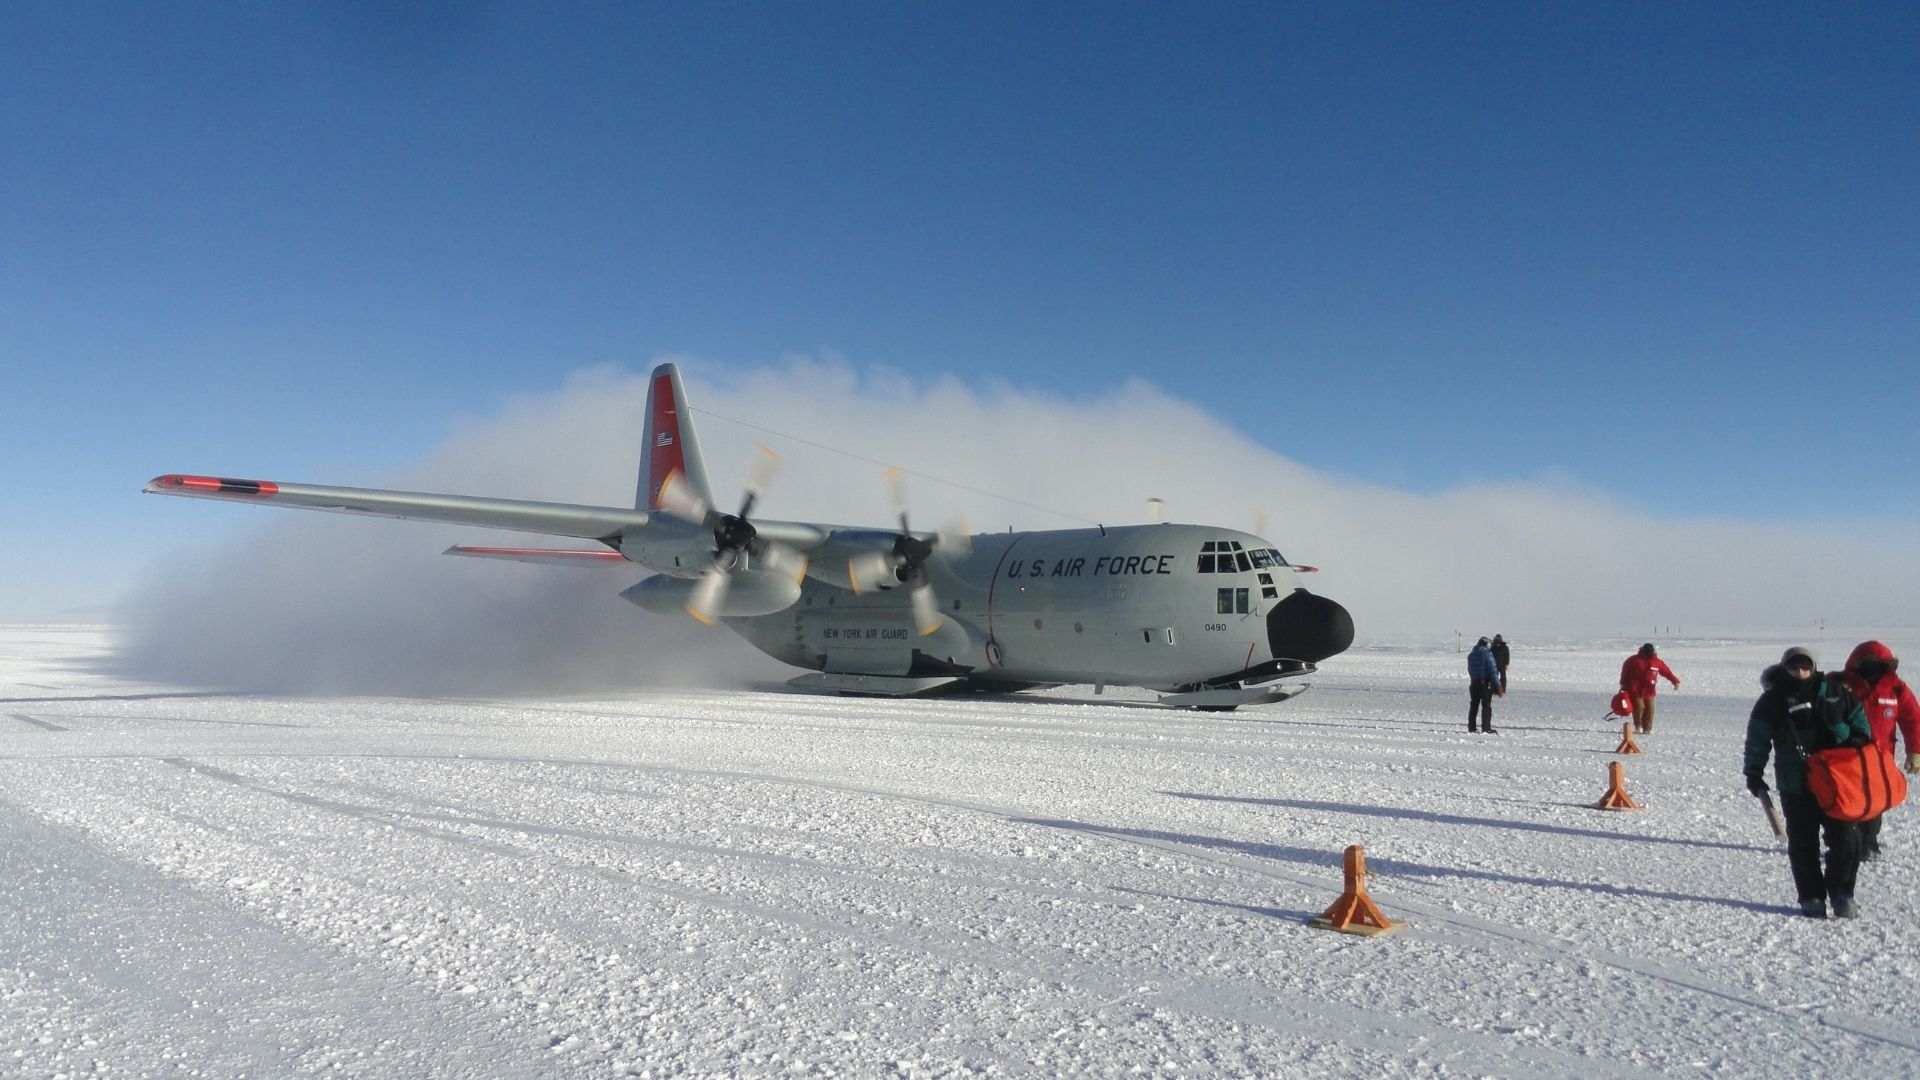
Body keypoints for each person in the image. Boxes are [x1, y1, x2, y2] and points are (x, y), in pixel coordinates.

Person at [1744, 647, 1870, 919]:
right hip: (1796, 782)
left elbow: (1860, 725)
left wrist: (1844, 730)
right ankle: (1811, 896)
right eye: (1793, 667)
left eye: (1804, 666)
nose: (1800, 672)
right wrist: (1753, 773)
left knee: (1846, 839)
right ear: (1784, 668)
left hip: (1838, 782)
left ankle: (1842, 893)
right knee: (1803, 842)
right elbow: (1758, 738)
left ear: (1813, 667)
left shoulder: (1836, 693)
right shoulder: (1772, 701)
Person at [1840, 640, 1920, 860]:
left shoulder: (1896, 688)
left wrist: (1915, 751)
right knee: (1847, 801)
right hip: (1846, 758)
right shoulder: (1841, 684)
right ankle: (1845, 844)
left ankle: (1869, 842)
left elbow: (1913, 719)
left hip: (1881, 757)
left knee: (1875, 801)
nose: (1873, 668)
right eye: (1868, 663)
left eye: (1879, 663)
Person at [1619, 643, 1680, 735]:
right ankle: (1638, 726)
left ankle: (1647, 728)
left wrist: (1675, 681)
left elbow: (1666, 671)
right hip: (1634, 690)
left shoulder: (1657, 661)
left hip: (1649, 690)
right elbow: (1625, 672)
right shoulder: (1633, 660)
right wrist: (1623, 684)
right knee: (1639, 707)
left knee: (1650, 709)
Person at [1467, 636, 1502, 733]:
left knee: (1474, 705)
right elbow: (1493, 670)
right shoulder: (1487, 654)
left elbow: (1470, 670)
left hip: (1474, 682)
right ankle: (1486, 727)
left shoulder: (1471, 655)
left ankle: (1471, 727)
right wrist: (1498, 685)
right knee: (1486, 706)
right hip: (1484, 683)